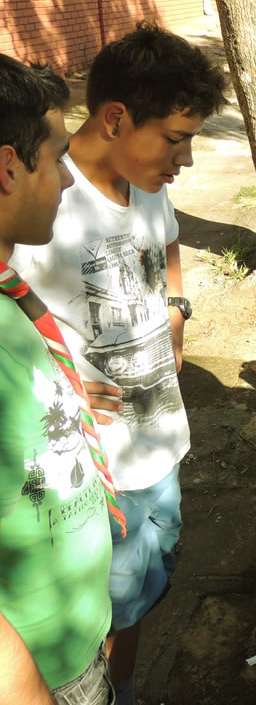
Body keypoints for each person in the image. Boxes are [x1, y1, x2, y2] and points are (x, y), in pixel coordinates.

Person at [10, 23, 228, 705]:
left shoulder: (148, 182)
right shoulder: (40, 205)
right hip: (93, 469)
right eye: (175, 138)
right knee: (99, 613)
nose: (185, 159)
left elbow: (168, 243)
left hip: (159, 442)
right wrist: (64, 382)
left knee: (139, 598)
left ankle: (123, 689)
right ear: (114, 119)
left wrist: (177, 310)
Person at [1, 54, 117, 704]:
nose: (69, 179)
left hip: (74, 635)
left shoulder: (9, 297)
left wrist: (65, 405)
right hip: (40, 674)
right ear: (8, 168)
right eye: (56, 157)